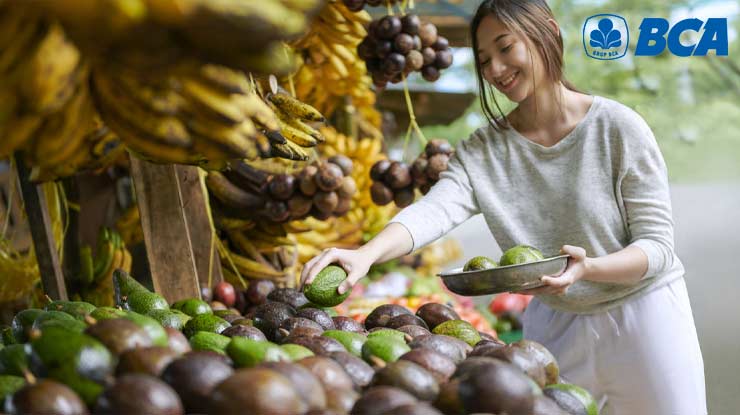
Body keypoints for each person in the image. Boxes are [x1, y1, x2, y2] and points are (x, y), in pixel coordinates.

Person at [300, 0, 707, 413]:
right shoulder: (484, 150)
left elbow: (657, 248)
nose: (494, 69)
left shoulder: (617, 128)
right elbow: (434, 210)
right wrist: (365, 254)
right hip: (553, 322)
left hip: (644, 317)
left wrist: (589, 269)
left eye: (505, 47)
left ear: (546, 31)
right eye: (483, 60)